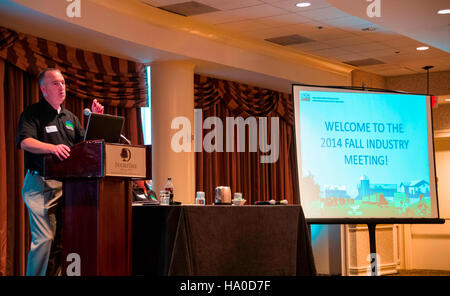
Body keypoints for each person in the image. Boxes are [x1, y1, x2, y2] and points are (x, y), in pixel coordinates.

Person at [17, 68, 104, 276]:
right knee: (45, 240)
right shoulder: (33, 113)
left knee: (61, 242)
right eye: (55, 83)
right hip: (40, 184)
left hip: (69, 187)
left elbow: (86, 147)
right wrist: (52, 148)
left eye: (63, 83)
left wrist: (95, 123)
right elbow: (25, 142)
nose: (62, 87)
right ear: (43, 89)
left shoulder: (70, 118)